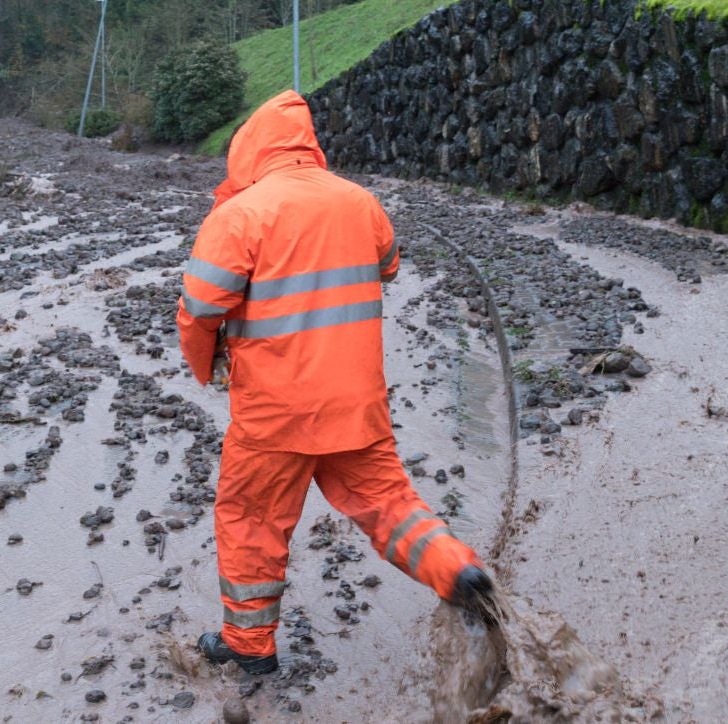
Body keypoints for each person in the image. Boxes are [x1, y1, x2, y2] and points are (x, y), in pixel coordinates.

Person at [177, 90, 495, 675]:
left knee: (251, 517)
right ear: (307, 145)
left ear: (249, 150)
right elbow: (388, 265)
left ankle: (250, 646)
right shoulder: (360, 202)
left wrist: (205, 367)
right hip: (356, 405)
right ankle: (456, 570)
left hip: (274, 417)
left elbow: (198, 310)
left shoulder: (240, 215)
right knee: (389, 501)